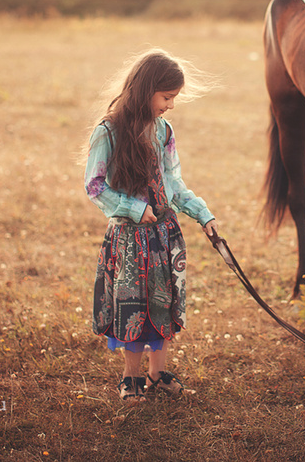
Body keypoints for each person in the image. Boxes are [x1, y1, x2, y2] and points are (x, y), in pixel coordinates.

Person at [83, 48, 218, 401]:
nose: (171, 105)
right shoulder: (108, 132)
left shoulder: (163, 131)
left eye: (173, 98)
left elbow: (173, 183)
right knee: (133, 306)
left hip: (164, 235)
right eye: (167, 97)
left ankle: (157, 372)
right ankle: (131, 377)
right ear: (146, 90)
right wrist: (131, 207)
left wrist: (204, 215)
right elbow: (95, 186)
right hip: (129, 238)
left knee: (164, 303)